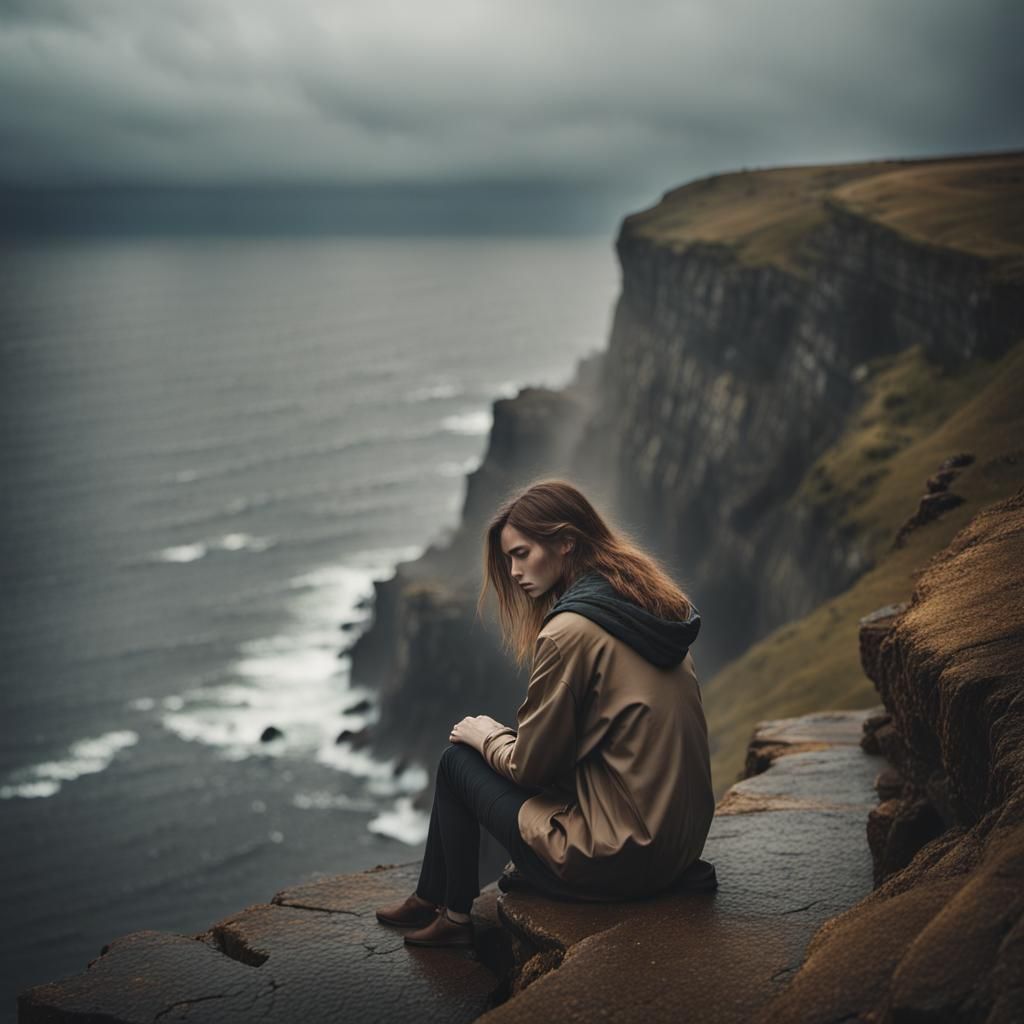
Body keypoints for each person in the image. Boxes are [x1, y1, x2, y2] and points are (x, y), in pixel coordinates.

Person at [375, 478, 717, 948]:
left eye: (521, 554)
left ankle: (452, 918)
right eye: (508, 560)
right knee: (483, 756)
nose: (514, 572)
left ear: (566, 542)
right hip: (676, 847)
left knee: (457, 762)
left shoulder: (569, 631)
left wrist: (486, 734)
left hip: (620, 861)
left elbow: (530, 768)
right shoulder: (647, 604)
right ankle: (429, 896)